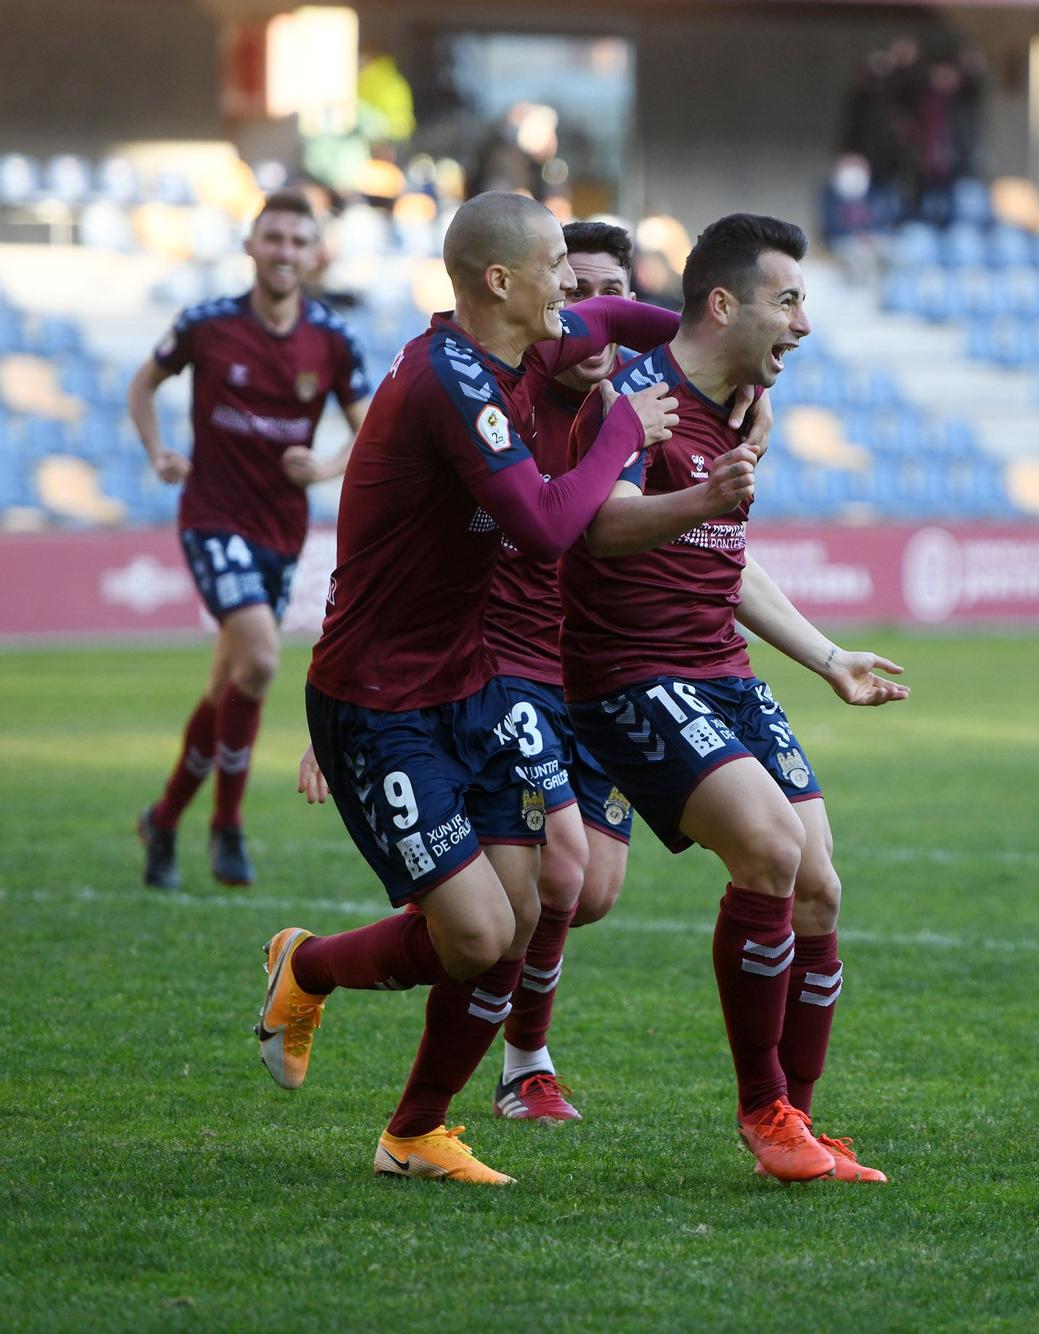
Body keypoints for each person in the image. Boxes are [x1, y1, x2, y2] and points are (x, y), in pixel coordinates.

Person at [254, 191, 694, 1186]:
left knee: (538, 893)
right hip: (379, 699)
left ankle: (415, 1131)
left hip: (475, 681)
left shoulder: (520, 341)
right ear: (501, 281)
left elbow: (623, 319)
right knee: (477, 930)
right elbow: (545, 524)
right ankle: (308, 966)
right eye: (555, 269)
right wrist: (624, 429)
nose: (573, 290)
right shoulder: (450, 380)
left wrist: (713, 337)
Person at [562, 213, 909, 1183]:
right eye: (788, 300)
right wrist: (704, 499)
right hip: (630, 673)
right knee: (767, 847)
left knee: (819, 885)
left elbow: (727, 557)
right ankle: (763, 1112)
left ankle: (796, 1118)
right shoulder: (634, 397)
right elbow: (602, 527)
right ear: (724, 302)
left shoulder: (741, 404)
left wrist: (828, 654)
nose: (801, 324)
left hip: (722, 671)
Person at [478, 220, 772, 1123]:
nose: (590, 329)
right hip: (514, 668)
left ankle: (433, 949)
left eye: (607, 302)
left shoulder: (653, 406)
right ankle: (524, 1063)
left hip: (606, 667)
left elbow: (691, 328)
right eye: (574, 299)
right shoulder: (511, 406)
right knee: (550, 883)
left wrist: (757, 368)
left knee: (590, 890)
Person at [129, 191, 371, 891]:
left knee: (228, 682)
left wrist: (322, 466)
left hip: (281, 529)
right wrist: (157, 451)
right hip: (211, 515)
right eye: (274, 238)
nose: (286, 251)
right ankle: (228, 827)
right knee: (262, 661)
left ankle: (164, 819)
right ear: (251, 246)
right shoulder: (207, 325)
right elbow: (143, 385)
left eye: (299, 240)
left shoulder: (330, 337)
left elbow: (369, 429)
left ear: (313, 253)